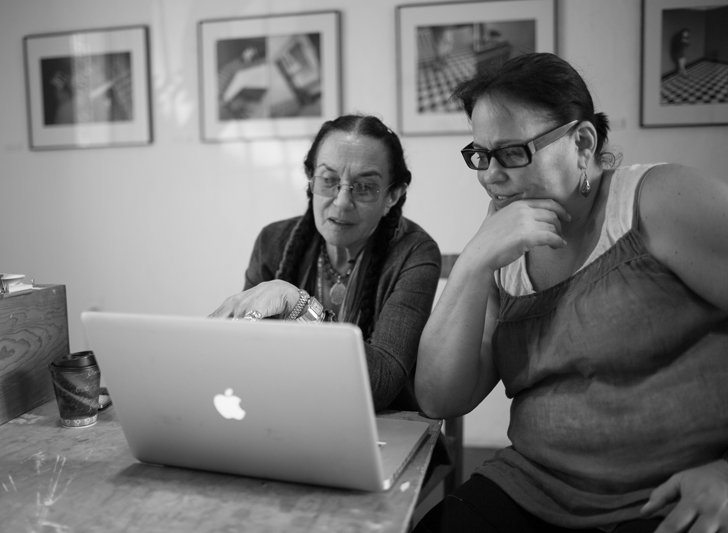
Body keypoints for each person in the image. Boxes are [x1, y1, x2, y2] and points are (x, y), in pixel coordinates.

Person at [413, 53, 728, 532]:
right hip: (533, 486)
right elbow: (440, 398)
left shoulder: (660, 200)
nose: (490, 176)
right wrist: (473, 263)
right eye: (480, 154)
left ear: (582, 143)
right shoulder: (505, 240)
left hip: (662, 496)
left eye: (513, 152)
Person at [210, 114, 441, 412]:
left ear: (393, 196)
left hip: (382, 430)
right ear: (310, 181)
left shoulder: (415, 253)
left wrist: (299, 305)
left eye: (365, 187)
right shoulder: (273, 242)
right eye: (329, 180)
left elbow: (382, 386)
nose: (342, 201)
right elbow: (246, 358)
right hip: (285, 417)